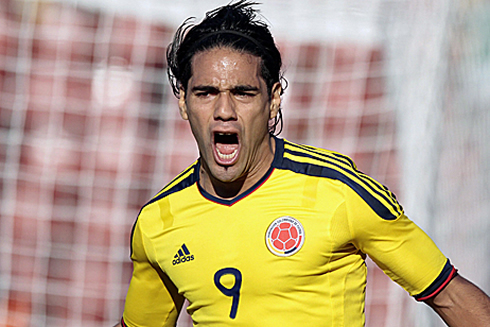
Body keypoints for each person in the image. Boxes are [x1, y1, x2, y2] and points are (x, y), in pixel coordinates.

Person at [116, 1, 490, 326]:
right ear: (183, 101)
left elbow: (450, 296)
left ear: (274, 99)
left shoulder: (339, 192)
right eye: (206, 93)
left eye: (243, 93)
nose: (224, 111)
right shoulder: (158, 222)